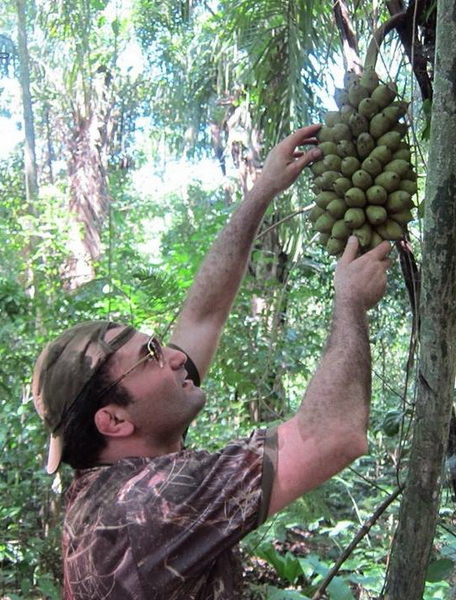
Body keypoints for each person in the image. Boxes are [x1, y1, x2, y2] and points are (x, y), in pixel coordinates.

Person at [32, 124, 393, 599]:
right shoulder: (149, 505)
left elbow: (203, 316)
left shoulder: (109, 483)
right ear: (114, 420)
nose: (176, 357)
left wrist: (262, 190)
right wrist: (348, 304)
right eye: (152, 356)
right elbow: (333, 434)